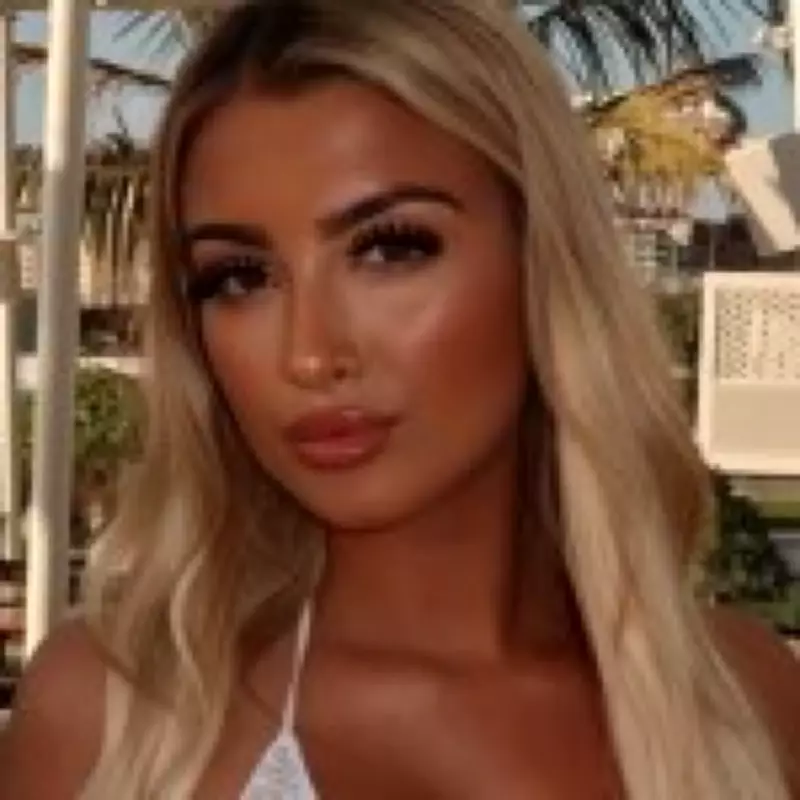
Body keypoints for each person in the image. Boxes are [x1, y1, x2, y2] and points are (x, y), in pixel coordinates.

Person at [3, 1, 799, 797]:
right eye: (239, 278)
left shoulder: (746, 707)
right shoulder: (111, 717)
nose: (309, 354)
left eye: (389, 249)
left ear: (541, 256)